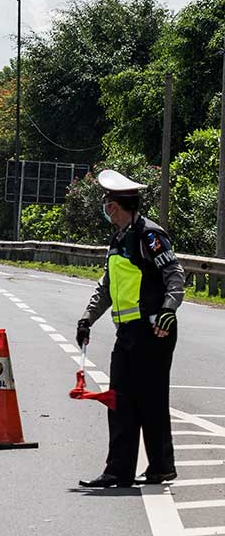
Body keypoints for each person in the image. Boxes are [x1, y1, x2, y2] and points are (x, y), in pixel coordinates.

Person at [76, 169, 185, 488]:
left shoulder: (149, 236)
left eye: (107, 201)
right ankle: (120, 469)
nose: (104, 207)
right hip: (127, 332)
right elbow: (107, 287)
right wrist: (87, 318)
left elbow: (175, 275)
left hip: (154, 330)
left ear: (115, 205)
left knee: (149, 399)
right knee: (120, 399)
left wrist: (168, 310)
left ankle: (160, 466)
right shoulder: (119, 239)